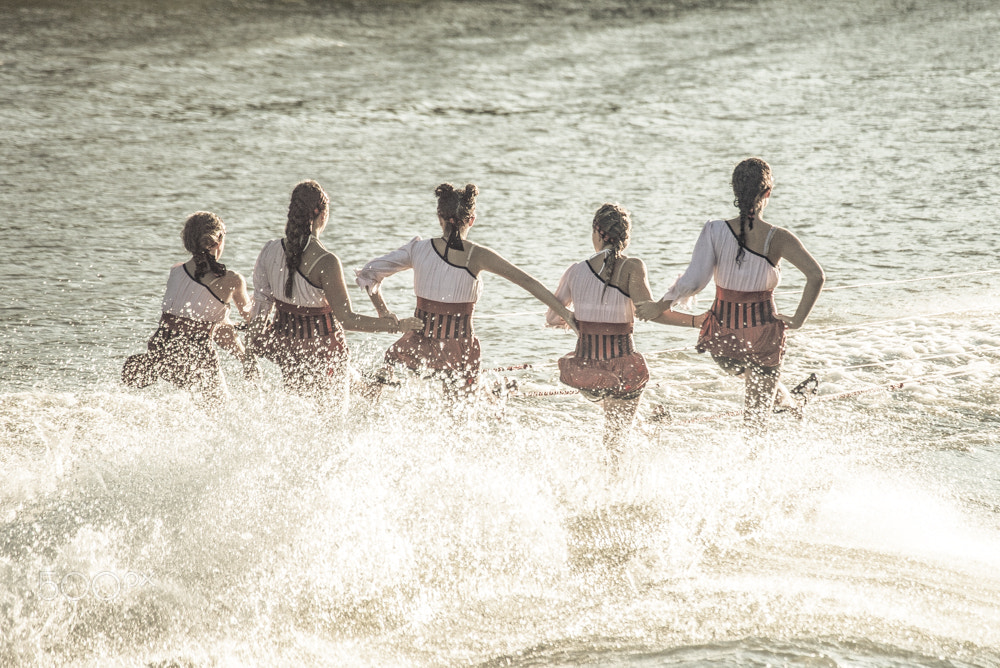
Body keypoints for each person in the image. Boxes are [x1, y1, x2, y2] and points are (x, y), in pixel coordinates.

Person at [636, 157, 825, 434]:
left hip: (724, 339)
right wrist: (798, 320)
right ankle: (788, 411)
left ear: (734, 191)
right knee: (756, 423)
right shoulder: (779, 237)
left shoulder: (714, 230)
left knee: (753, 378)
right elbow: (816, 276)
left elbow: (694, 281)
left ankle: (791, 403)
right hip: (763, 338)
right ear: (767, 193)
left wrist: (659, 306)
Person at [355, 182, 578, 394]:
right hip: (459, 353)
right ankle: (493, 394)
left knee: (385, 372)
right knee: (460, 421)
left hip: (417, 347)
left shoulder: (417, 249)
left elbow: (369, 273)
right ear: (471, 220)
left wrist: (383, 312)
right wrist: (566, 315)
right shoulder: (477, 255)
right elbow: (528, 283)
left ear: (439, 217)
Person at [546, 203, 705, 463]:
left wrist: (579, 320)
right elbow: (652, 313)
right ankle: (621, 485)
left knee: (611, 421)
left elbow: (553, 316)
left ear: (597, 233)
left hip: (586, 371)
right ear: (625, 238)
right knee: (616, 440)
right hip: (623, 372)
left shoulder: (575, 271)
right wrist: (696, 321)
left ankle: (639, 428)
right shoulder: (632, 267)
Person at [247, 180, 421, 402]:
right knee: (332, 421)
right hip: (324, 354)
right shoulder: (326, 262)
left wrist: (249, 358)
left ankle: (374, 386)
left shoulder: (269, 251)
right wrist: (396, 325)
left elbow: (260, 311)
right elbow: (347, 320)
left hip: (287, 349)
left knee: (304, 406)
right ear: (323, 215)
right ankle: (377, 384)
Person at [122, 211, 256, 404]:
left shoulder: (176, 271)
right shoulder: (232, 281)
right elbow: (252, 320)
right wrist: (246, 358)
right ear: (218, 240)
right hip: (195, 356)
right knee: (221, 409)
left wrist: (231, 331)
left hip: (161, 351)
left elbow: (204, 321)